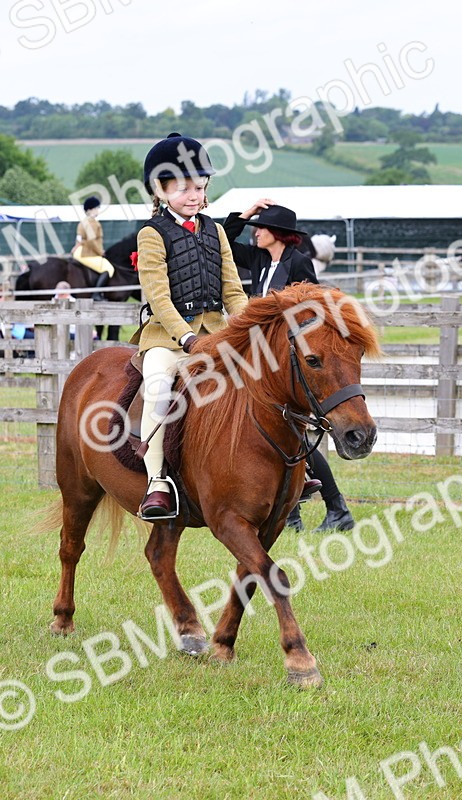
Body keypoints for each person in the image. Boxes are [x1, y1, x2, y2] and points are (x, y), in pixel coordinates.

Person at [135, 133, 249, 519]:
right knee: (158, 386)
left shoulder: (215, 231)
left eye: (199, 188)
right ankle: (156, 483)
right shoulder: (151, 234)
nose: (194, 196)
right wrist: (184, 336)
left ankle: (293, 468)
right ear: (160, 189)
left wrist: (250, 327)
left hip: (215, 333)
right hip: (167, 340)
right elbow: (158, 297)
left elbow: (233, 290)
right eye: (183, 188)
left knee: (271, 372)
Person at [223, 198, 355, 533]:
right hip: (259, 358)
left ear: (278, 234)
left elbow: (313, 313)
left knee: (290, 433)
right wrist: (247, 214)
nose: (256, 234)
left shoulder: (299, 264)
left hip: (285, 363)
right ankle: (297, 512)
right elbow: (223, 241)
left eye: (262, 228)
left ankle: (333, 507)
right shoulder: (258, 258)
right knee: (273, 433)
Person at [73, 196, 114, 297]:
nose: (97, 210)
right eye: (96, 208)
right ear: (90, 210)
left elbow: (79, 238)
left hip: (79, 251)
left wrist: (75, 248)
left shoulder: (82, 222)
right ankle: (96, 294)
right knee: (108, 268)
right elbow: (92, 241)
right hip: (87, 253)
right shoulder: (93, 223)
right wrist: (100, 252)